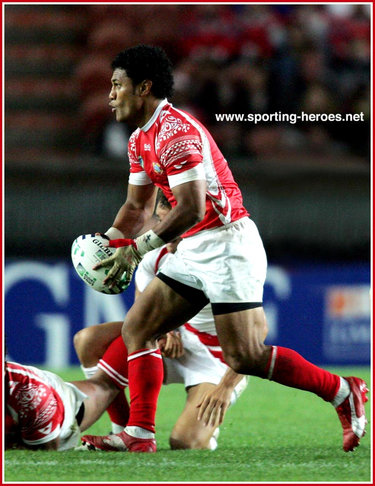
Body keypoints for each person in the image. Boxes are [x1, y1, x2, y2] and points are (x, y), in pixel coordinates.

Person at [81, 44, 368, 453]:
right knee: (138, 328)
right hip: (194, 249)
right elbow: (135, 207)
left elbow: (193, 206)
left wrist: (136, 248)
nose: (110, 95)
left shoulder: (177, 133)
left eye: (117, 85)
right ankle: (138, 435)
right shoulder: (139, 140)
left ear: (143, 88)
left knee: (246, 354)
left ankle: (342, 390)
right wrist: (110, 243)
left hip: (227, 244)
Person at [77, 191, 249, 451]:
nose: (166, 232)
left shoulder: (223, 262)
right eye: (160, 221)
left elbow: (253, 340)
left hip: (216, 360)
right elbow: (140, 321)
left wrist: (226, 386)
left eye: (176, 227)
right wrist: (164, 333)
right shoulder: (153, 258)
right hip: (167, 348)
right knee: (88, 340)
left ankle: (203, 434)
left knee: (185, 442)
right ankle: (124, 429)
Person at [4, 338, 129, 451]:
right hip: (43, 393)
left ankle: (139, 430)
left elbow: (43, 454)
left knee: (105, 385)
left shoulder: (31, 395)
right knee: (88, 338)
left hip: (66, 409)